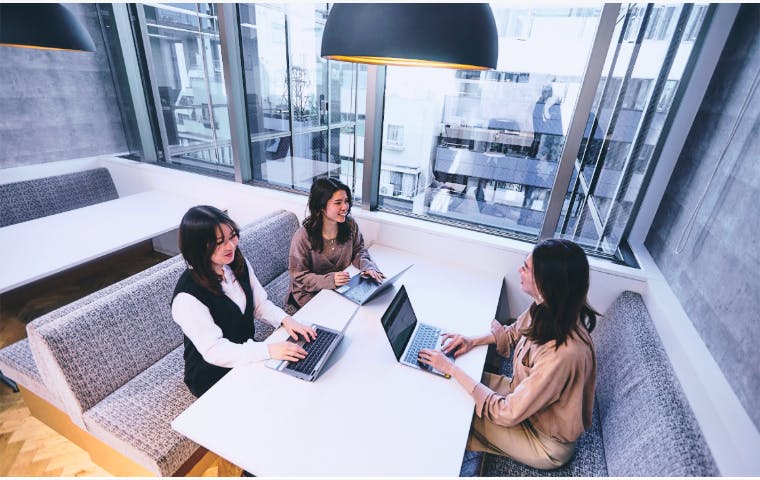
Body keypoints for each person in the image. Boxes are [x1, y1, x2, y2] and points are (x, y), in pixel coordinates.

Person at [418, 238, 598, 470]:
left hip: (542, 441)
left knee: (453, 411)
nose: (519, 270)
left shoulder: (562, 355)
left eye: (526, 268)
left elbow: (506, 412)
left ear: (545, 283)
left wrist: (451, 368)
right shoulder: (549, 307)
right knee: (448, 385)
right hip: (523, 400)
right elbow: (514, 332)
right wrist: (471, 341)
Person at [172, 205, 317, 397]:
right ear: (198, 247)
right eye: (219, 242)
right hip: (212, 373)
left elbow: (259, 304)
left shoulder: (235, 262)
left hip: (247, 352)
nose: (231, 246)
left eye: (233, 236)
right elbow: (215, 350)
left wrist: (286, 320)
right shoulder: (187, 296)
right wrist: (268, 350)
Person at [288, 177, 384, 309]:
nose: (345, 207)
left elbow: (358, 250)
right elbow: (299, 277)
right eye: (338, 203)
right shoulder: (302, 237)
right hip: (310, 293)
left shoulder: (350, 225)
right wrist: (330, 280)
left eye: (346, 201)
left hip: (339, 288)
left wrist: (368, 267)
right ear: (321, 206)